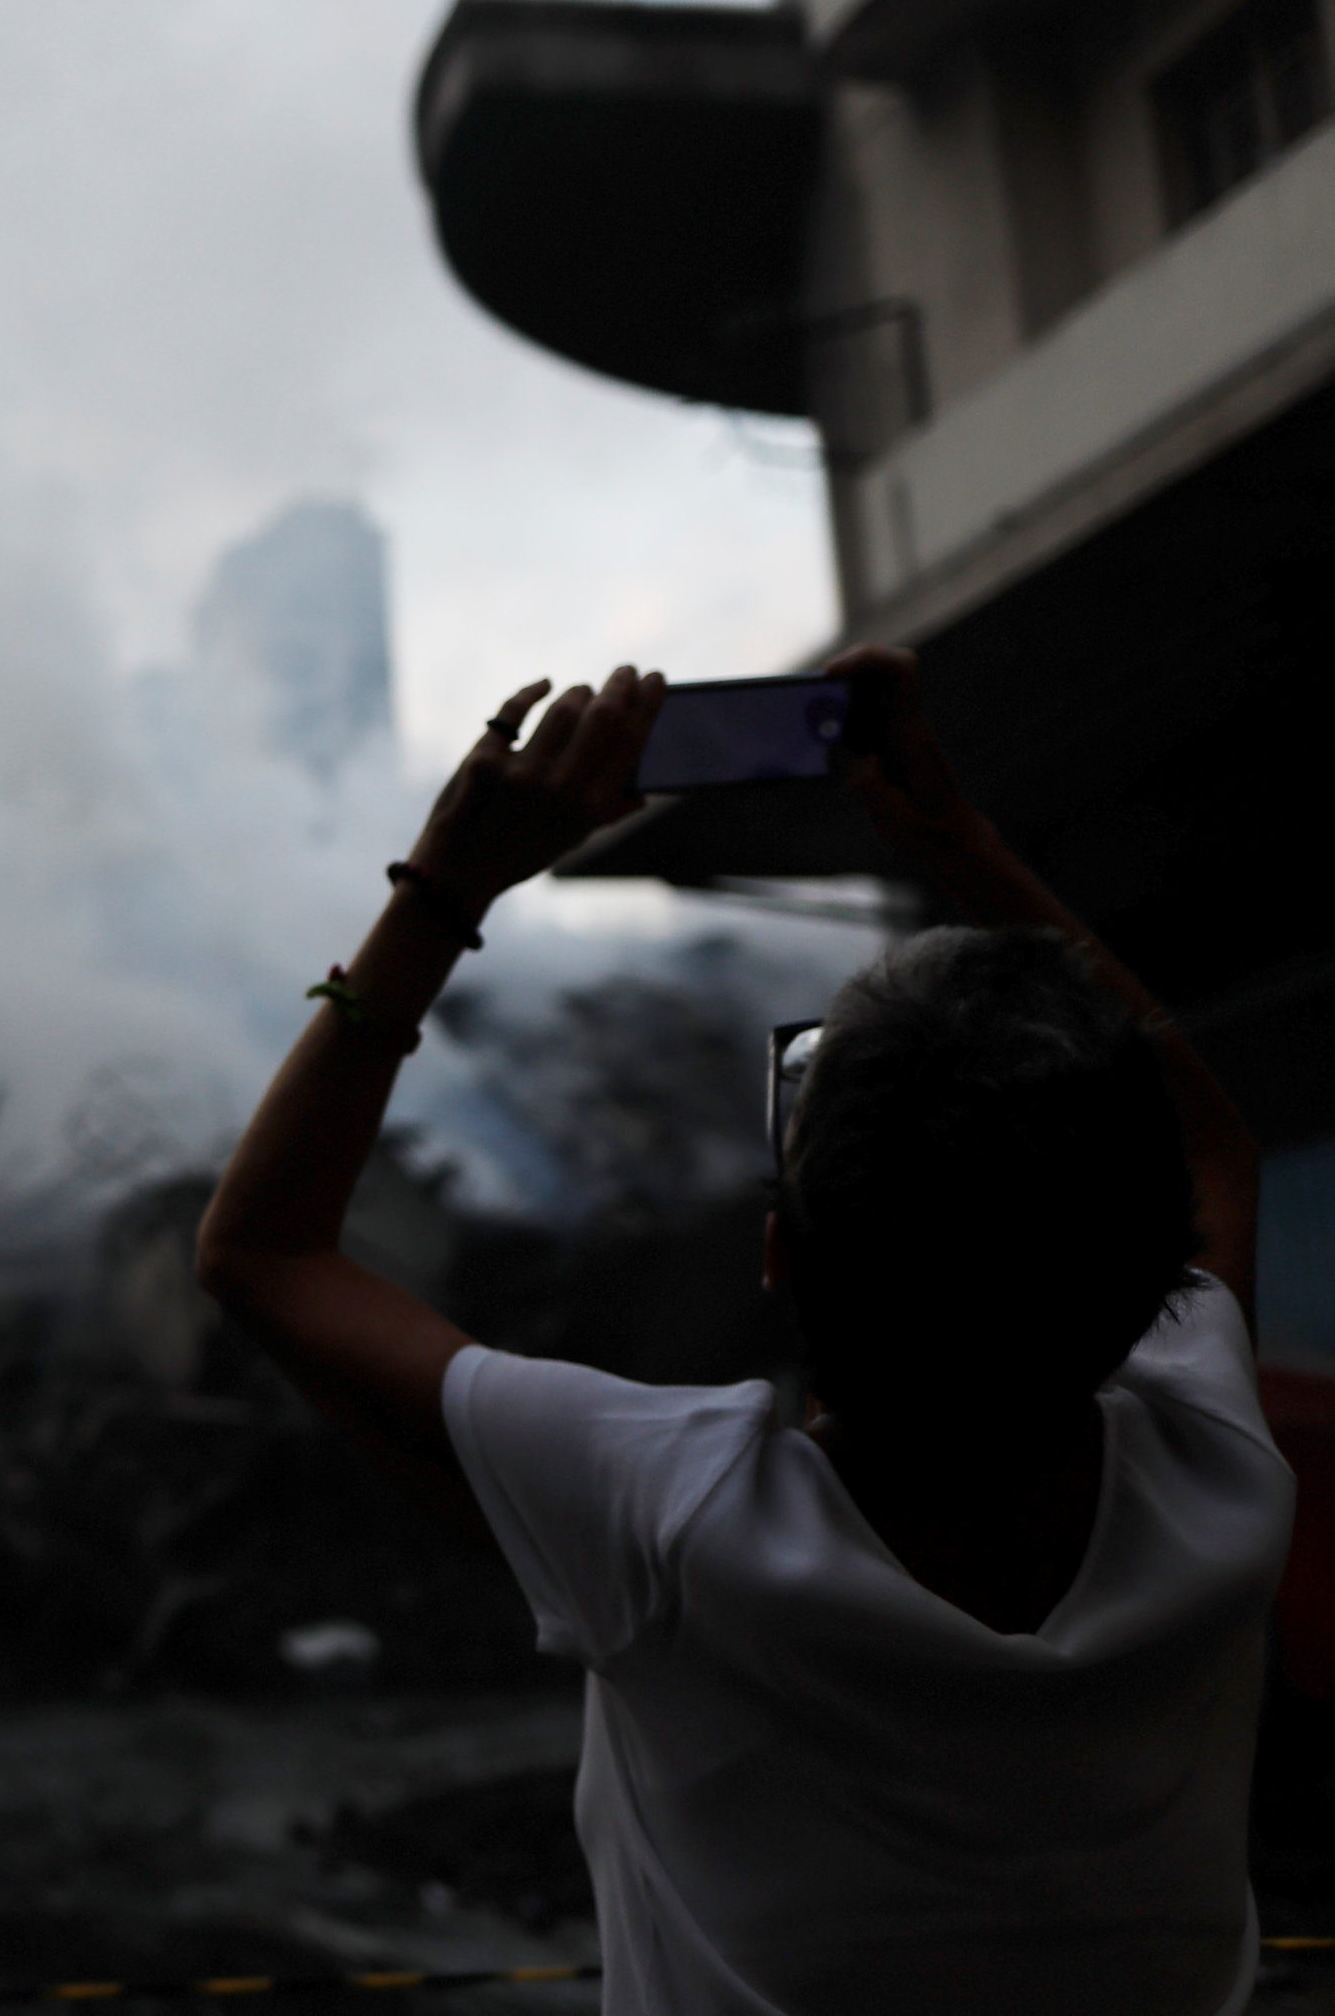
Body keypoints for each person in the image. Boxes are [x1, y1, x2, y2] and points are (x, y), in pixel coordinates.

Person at [193, 647, 1287, 2014]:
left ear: (776, 1253)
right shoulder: (1218, 1467)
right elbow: (1215, 1157)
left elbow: (258, 1246)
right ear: (1142, 1279)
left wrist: (442, 889)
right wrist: (969, 846)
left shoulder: (675, 1514)